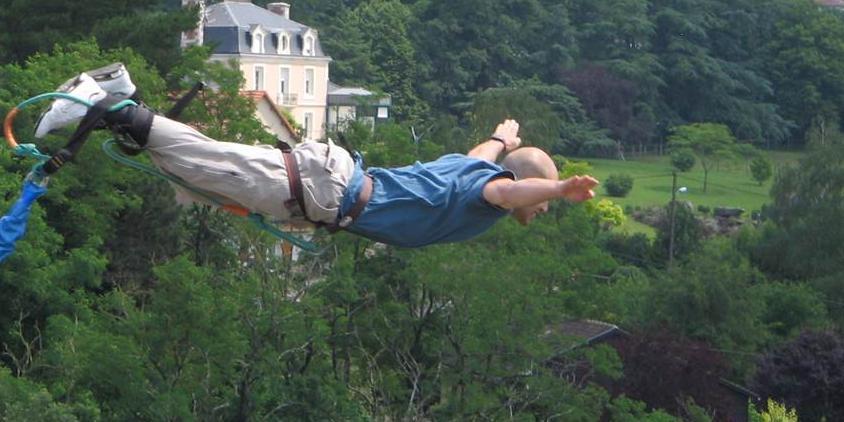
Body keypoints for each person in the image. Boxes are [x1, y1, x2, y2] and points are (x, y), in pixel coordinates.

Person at [34, 65, 599, 248]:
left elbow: (487, 157)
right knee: (203, 167)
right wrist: (557, 188)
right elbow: (506, 189)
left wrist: (503, 136)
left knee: (197, 169)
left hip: (328, 187)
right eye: (544, 198)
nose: (545, 207)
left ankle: (122, 99)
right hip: (327, 191)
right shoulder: (491, 195)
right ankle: (105, 99)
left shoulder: (477, 164)